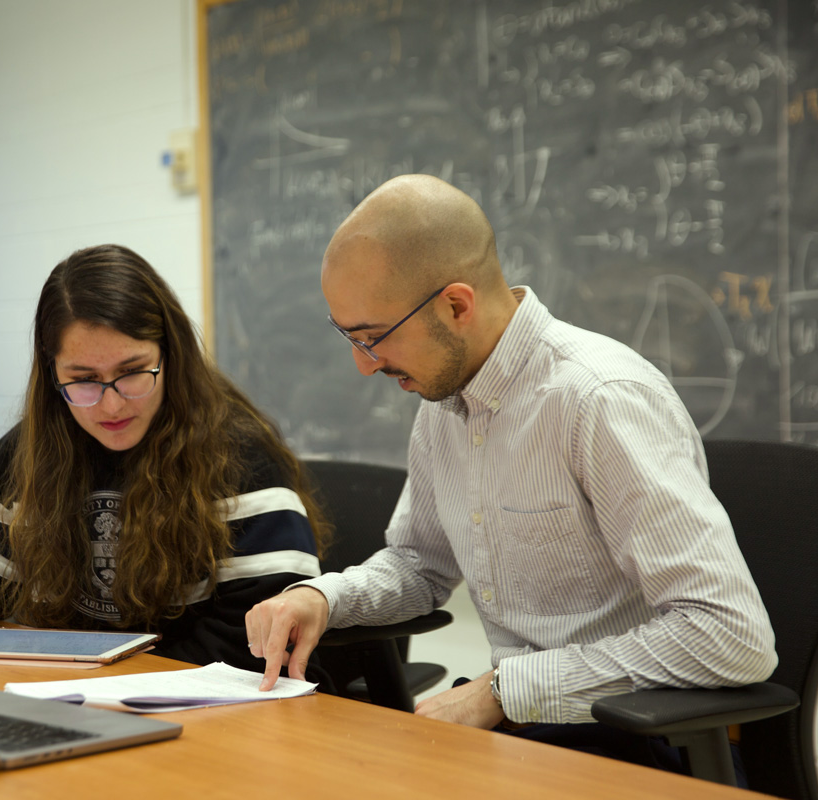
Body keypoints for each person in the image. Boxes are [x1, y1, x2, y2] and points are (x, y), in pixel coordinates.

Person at [245, 174, 776, 770]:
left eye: (373, 338)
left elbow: (730, 635)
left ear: (456, 305)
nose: (363, 366)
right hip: (531, 726)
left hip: (639, 737)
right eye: (349, 337)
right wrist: (325, 597)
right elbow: (420, 564)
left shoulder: (599, 399)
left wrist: (502, 691)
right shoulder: (444, 405)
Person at [0, 244, 329, 672]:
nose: (112, 406)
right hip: (74, 691)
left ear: (170, 355)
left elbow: (263, 633)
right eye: (84, 380)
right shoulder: (25, 455)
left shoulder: (240, 459)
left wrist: (117, 678)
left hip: (208, 705)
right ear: (53, 374)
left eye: (132, 372)